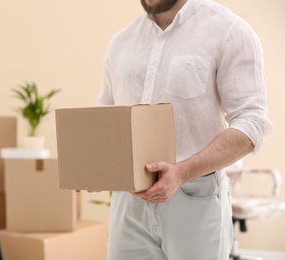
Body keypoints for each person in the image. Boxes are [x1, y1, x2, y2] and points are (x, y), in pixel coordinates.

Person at [96, 0, 274, 259]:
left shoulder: (230, 31)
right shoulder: (122, 41)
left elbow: (253, 123)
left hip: (195, 197)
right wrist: (94, 168)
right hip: (129, 201)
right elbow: (106, 118)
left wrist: (183, 171)